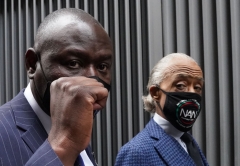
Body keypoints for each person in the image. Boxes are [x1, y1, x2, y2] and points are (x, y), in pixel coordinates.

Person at [0, 8, 113, 166]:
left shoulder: (76, 122)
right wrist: (63, 144)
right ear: (32, 64)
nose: (92, 82)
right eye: (73, 63)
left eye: (102, 66)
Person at [115, 53, 209, 166]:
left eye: (197, 87)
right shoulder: (136, 152)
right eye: (180, 85)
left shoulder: (187, 141)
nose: (192, 93)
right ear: (155, 93)